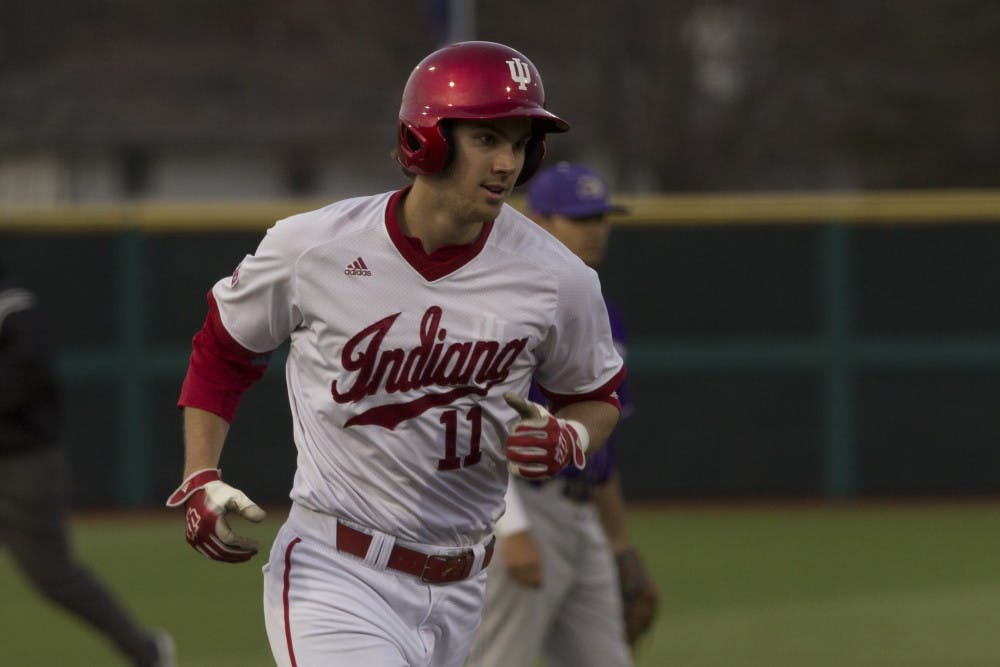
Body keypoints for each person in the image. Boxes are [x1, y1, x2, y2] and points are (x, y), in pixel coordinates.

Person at [165, 41, 626, 667]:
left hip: (463, 588)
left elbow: (595, 397)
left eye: (520, 144)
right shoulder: (314, 247)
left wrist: (571, 439)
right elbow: (222, 350)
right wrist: (200, 474)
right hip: (337, 570)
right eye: (488, 138)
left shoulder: (557, 277)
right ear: (425, 140)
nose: (507, 163)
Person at [466, 163, 660, 667]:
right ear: (540, 221)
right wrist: (511, 530)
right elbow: (477, 425)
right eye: (580, 218)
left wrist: (619, 542)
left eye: (600, 216)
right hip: (524, 506)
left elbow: (603, 443)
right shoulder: (505, 303)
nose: (595, 229)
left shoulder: (600, 306)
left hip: (582, 516)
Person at [0, 263, 175, 667]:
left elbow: (22, 381)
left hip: (23, 465)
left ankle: (144, 651)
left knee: (55, 576)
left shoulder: (16, 309)